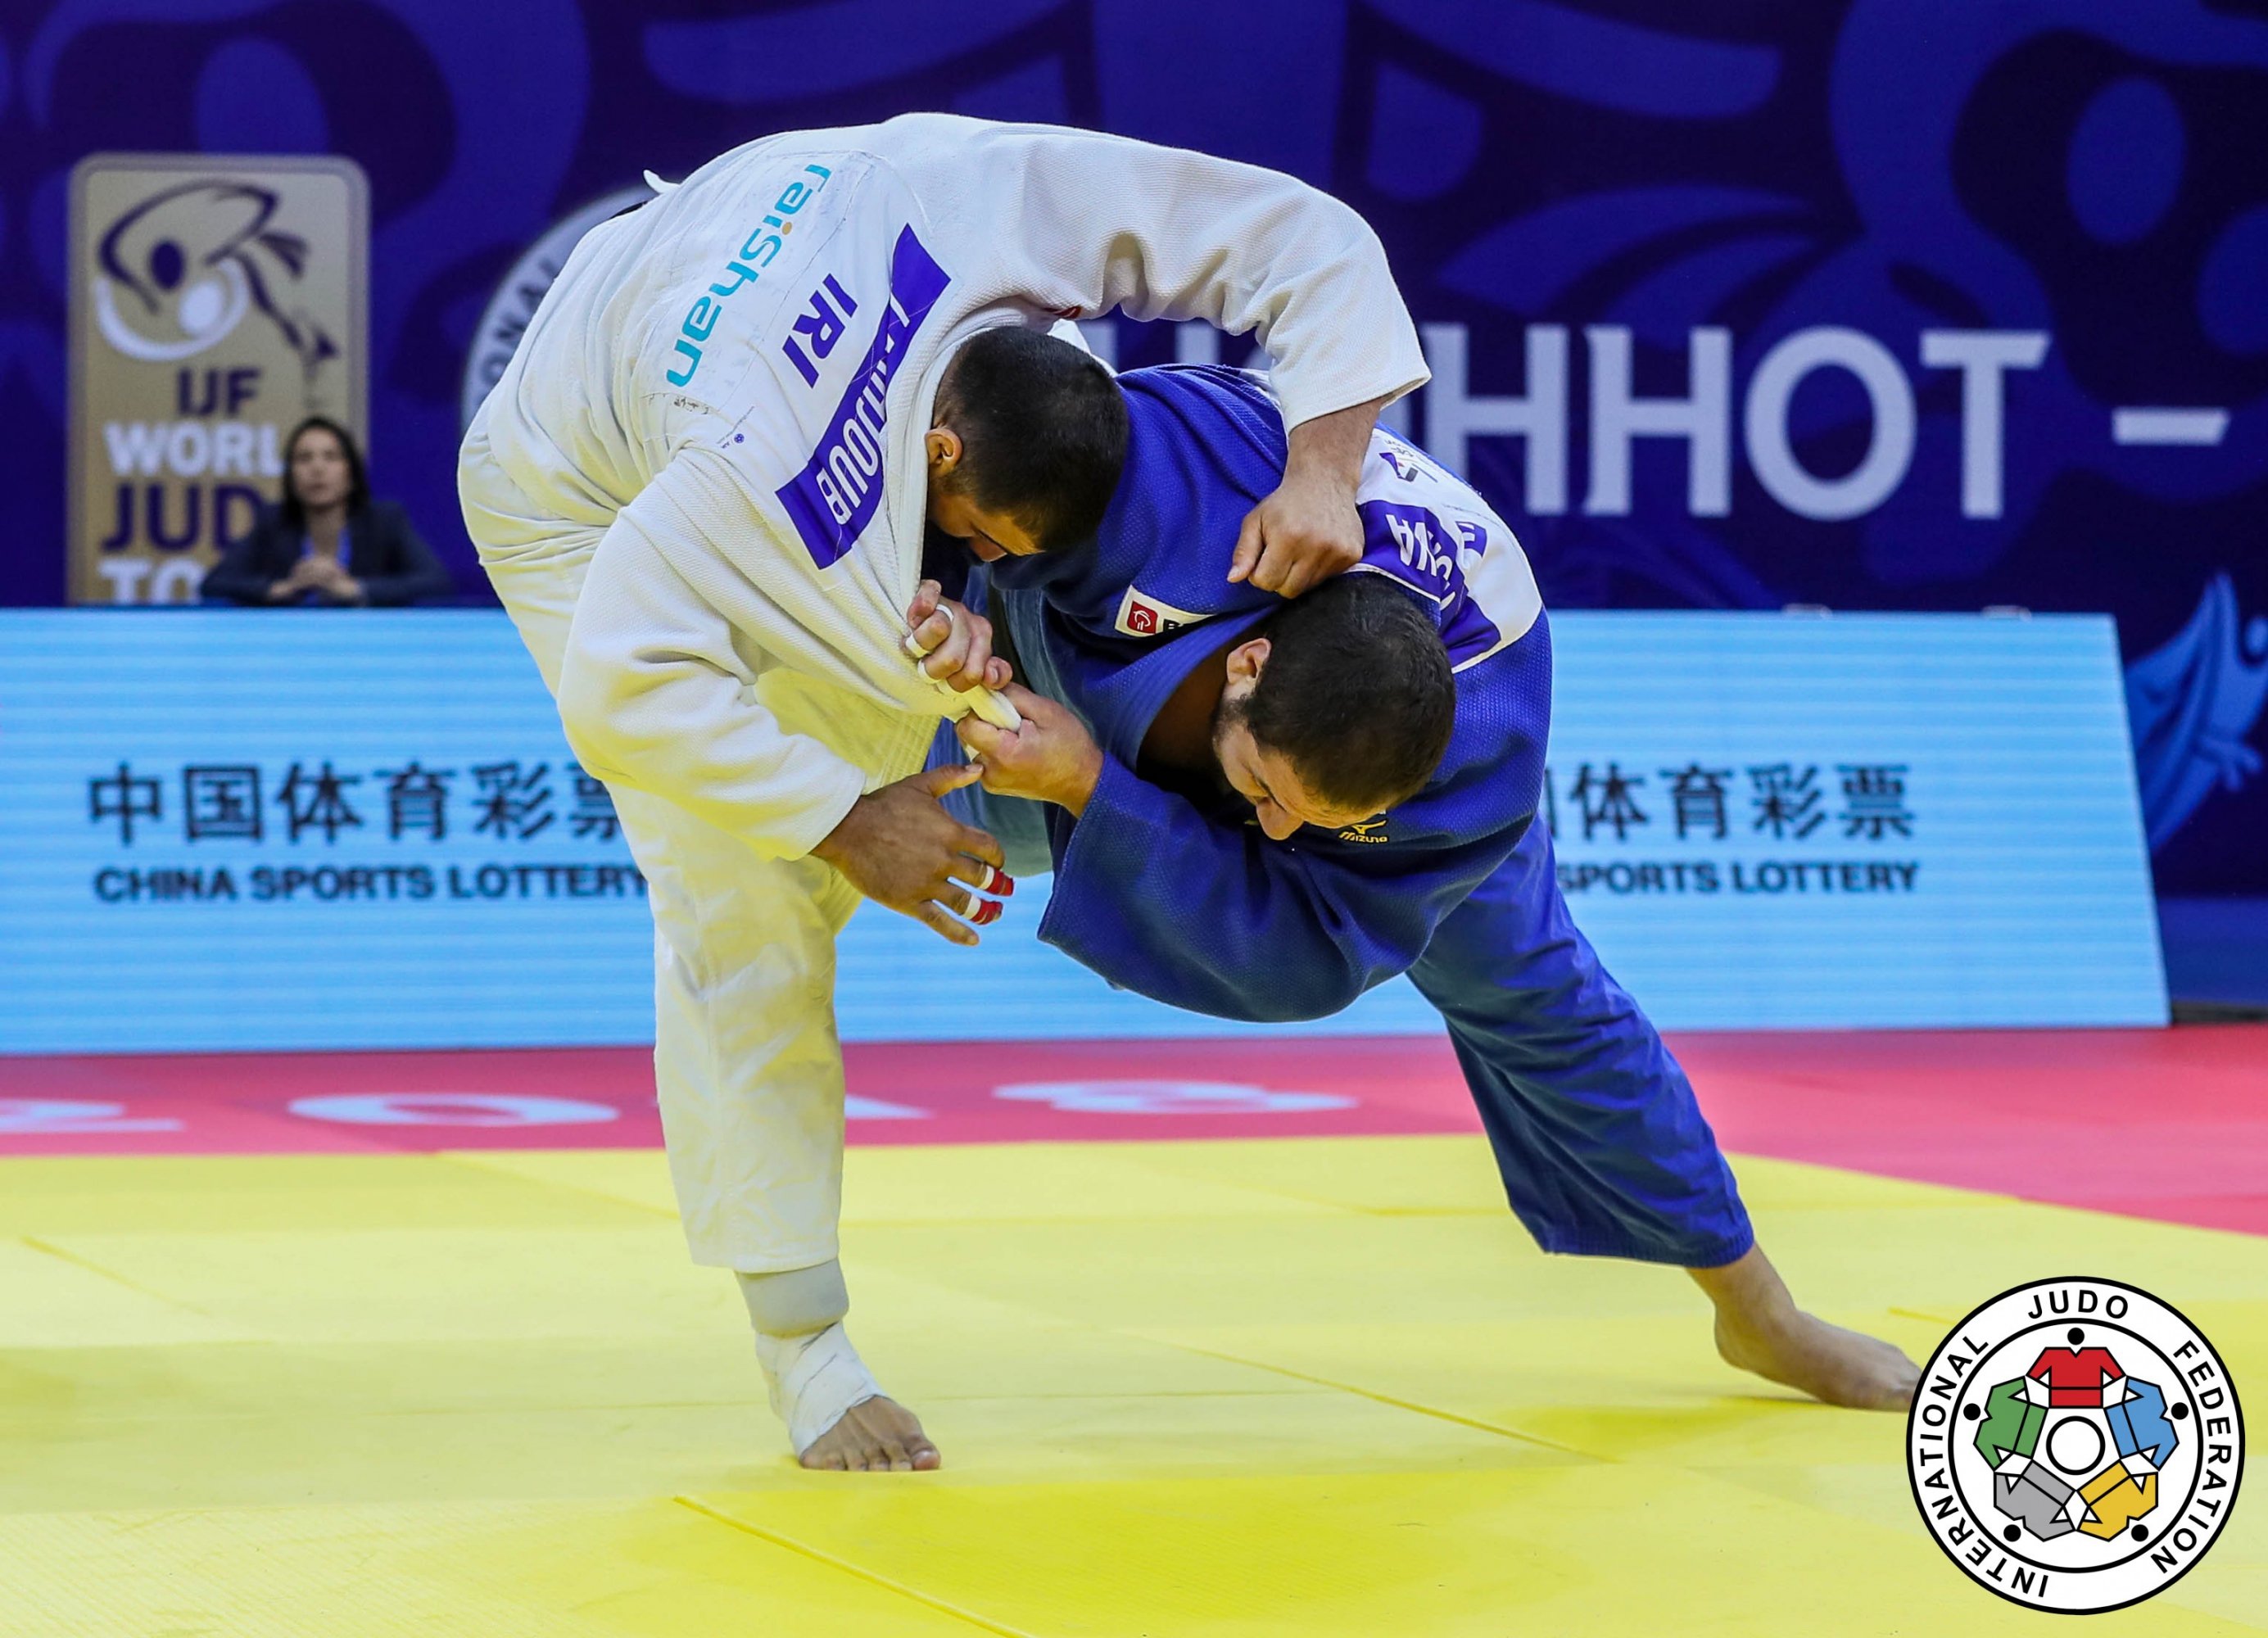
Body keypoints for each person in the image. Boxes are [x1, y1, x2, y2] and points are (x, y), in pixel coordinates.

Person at [456, 115, 1429, 1472]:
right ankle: (801, 1344)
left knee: (950, 663)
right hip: (578, 475)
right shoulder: (778, 491)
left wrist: (1320, 464)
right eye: (969, 538)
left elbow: (1301, 231)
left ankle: (1070, 765)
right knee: (748, 886)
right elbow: (619, 693)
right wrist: (847, 822)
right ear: (935, 466)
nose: (976, 560)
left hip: (719, 277)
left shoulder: (986, 198)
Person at [924, 363, 1920, 1412]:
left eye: (1301, 818)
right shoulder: (1197, 482)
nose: (1272, 833)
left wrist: (1086, 780)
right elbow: (1312, 288)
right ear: (1249, 661)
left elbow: (1298, 954)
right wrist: (963, 613)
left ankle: (1760, 1314)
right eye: (1262, 792)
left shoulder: (1472, 765)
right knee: (869, 801)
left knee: (1546, 998)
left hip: (1388, 779)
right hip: (1157, 676)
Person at [202, 416, 454, 606]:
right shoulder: (273, 523)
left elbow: (436, 583)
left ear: (352, 474)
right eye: (304, 459)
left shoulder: (385, 521)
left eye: (331, 457)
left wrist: (356, 589)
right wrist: (282, 588)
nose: (317, 469)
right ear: (290, 476)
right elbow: (213, 585)